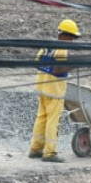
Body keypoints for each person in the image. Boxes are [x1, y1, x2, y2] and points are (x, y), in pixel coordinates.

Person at [28, 18, 80, 163]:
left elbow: (37, 63)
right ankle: (49, 152)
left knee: (41, 118)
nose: (72, 40)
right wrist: (73, 66)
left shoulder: (46, 47)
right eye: (71, 37)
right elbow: (58, 70)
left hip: (42, 87)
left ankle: (35, 149)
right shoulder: (62, 49)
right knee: (53, 121)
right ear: (65, 35)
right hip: (55, 90)